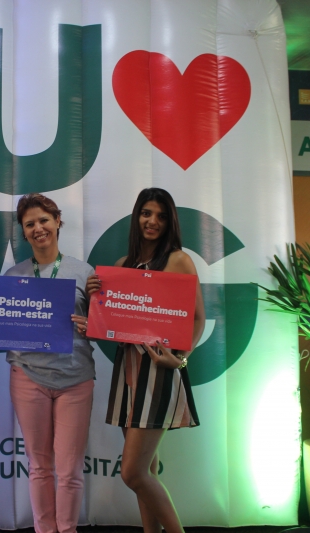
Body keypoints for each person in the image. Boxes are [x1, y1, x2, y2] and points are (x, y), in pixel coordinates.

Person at [0, 193, 95, 533]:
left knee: (69, 471)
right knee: (39, 467)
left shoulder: (84, 272)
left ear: (58, 222)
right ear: (24, 231)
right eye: (30, 224)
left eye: (44, 220)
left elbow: (101, 325)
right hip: (28, 378)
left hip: (75, 380)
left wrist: (93, 325)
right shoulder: (13, 274)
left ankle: (67, 530)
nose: (38, 228)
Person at [89, 188, 206, 533]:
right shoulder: (122, 266)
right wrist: (98, 297)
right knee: (147, 470)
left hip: (159, 372)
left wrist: (181, 359)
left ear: (170, 222)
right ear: (136, 216)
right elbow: (112, 323)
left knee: (133, 473)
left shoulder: (179, 260)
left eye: (161, 216)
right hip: (128, 371)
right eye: (146, 213)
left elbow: (198, 318)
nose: (152, 221)